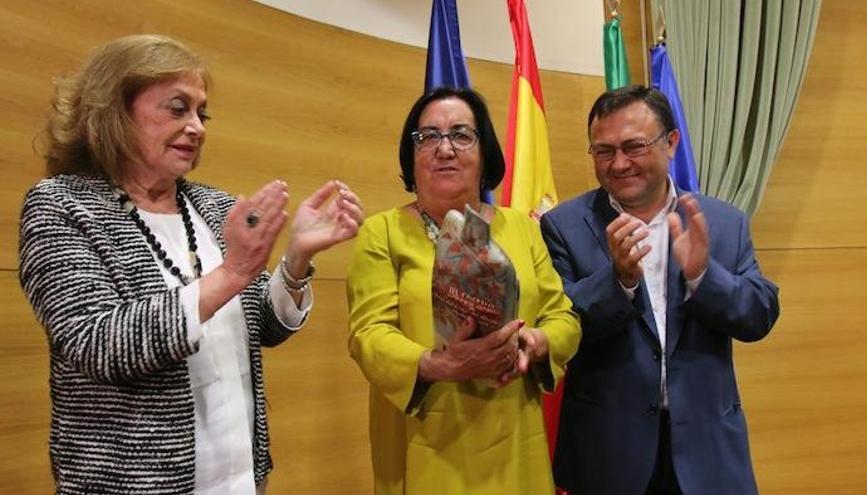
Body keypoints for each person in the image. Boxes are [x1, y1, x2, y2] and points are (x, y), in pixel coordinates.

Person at [18, 34, 363, 494]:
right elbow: (96, 344)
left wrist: (297, 257)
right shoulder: (61, 205)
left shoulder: (214, 207)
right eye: (178, 108)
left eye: (203, 113)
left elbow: (264, 327)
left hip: (240, 476)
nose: (197, 127)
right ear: (113, 111)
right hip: (130, 484)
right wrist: (233, 273)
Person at [540, 85, 780, 495]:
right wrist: (619, 280)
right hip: (609, 456)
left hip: (709, 455)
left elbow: (758, 316)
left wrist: (704, 275)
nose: (619, 163)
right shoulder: (562, 226)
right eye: (603, 151)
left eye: (634, 146)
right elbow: (561, 325)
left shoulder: (722, 222)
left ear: (671, 143)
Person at [346, 87, 581, 495]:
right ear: (411, 154)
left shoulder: (524, 229)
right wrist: (440, 365)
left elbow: (564, 317)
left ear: (484, 151)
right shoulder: (382, 232)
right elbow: (368, 335)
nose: (444, 148)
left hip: (514, 441)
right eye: (428, 137)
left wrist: (537, 343)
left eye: (461, 134)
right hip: (426, 443)